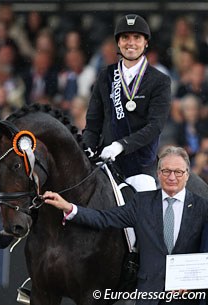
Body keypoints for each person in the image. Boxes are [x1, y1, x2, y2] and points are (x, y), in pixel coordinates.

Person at [43, 146, 208, 305]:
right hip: (149, 296)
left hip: (187, 296)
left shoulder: (203, 208)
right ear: (158, 173)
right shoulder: (141, 203)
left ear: (187, 174)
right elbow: (104, 218)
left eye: (178, 172)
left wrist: (194, 282)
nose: (172, 177)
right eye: (166, 171)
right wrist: (69, 208)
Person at [83, 14, 171, 192]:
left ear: (146, 42)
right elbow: (93, 124)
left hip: (139, 165)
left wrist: (121, 145)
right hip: (105, 164)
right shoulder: (106, 76)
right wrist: (86, 150)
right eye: (125, 37)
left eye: (136, 38)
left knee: (144, 215)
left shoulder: (159, 80)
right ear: (118, 43)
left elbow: (155, 126)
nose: (131, 43)